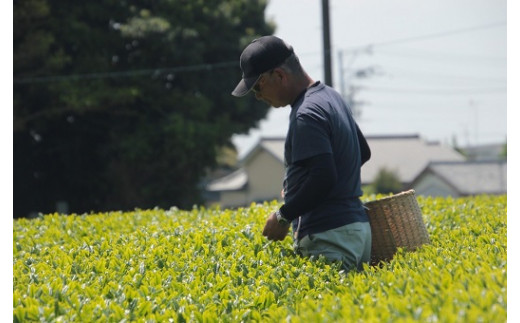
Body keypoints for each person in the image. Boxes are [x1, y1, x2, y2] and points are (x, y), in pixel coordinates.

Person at [231, 35, 372, 272]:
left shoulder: (306, 114)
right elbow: (363, 152)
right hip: (357, 231)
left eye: (257, 86)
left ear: (279, 75)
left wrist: (283, 215)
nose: (257, 95)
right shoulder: (331, 97)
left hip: (330, 237)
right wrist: (301, 188)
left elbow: (324, 177)